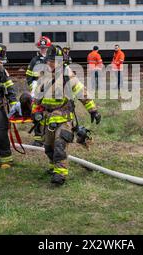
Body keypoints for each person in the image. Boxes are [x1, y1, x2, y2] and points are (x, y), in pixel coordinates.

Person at [34, 45, 101, 185]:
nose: (50, 63)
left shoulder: (67, 75)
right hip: (47, 118)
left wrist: (93, 110)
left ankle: (60, 174)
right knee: (48, 146)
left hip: (64, 117)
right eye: (49, 61)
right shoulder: (44, 75)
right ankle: (53, 167)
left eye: (53, 61)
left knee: (60, 144)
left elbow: (81, 91)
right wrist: (35, 112)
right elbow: (37, 97)